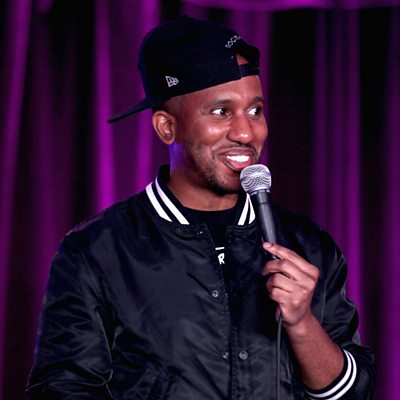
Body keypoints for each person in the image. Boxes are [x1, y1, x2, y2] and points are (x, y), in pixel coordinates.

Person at [27, 15, 374, 399]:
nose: (246, 133)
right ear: (167, 127)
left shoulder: (308, 247)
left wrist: (302, 323)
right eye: (221, 112)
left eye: (255, 111)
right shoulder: (97, 251)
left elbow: (354, 392)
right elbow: (62, 388)